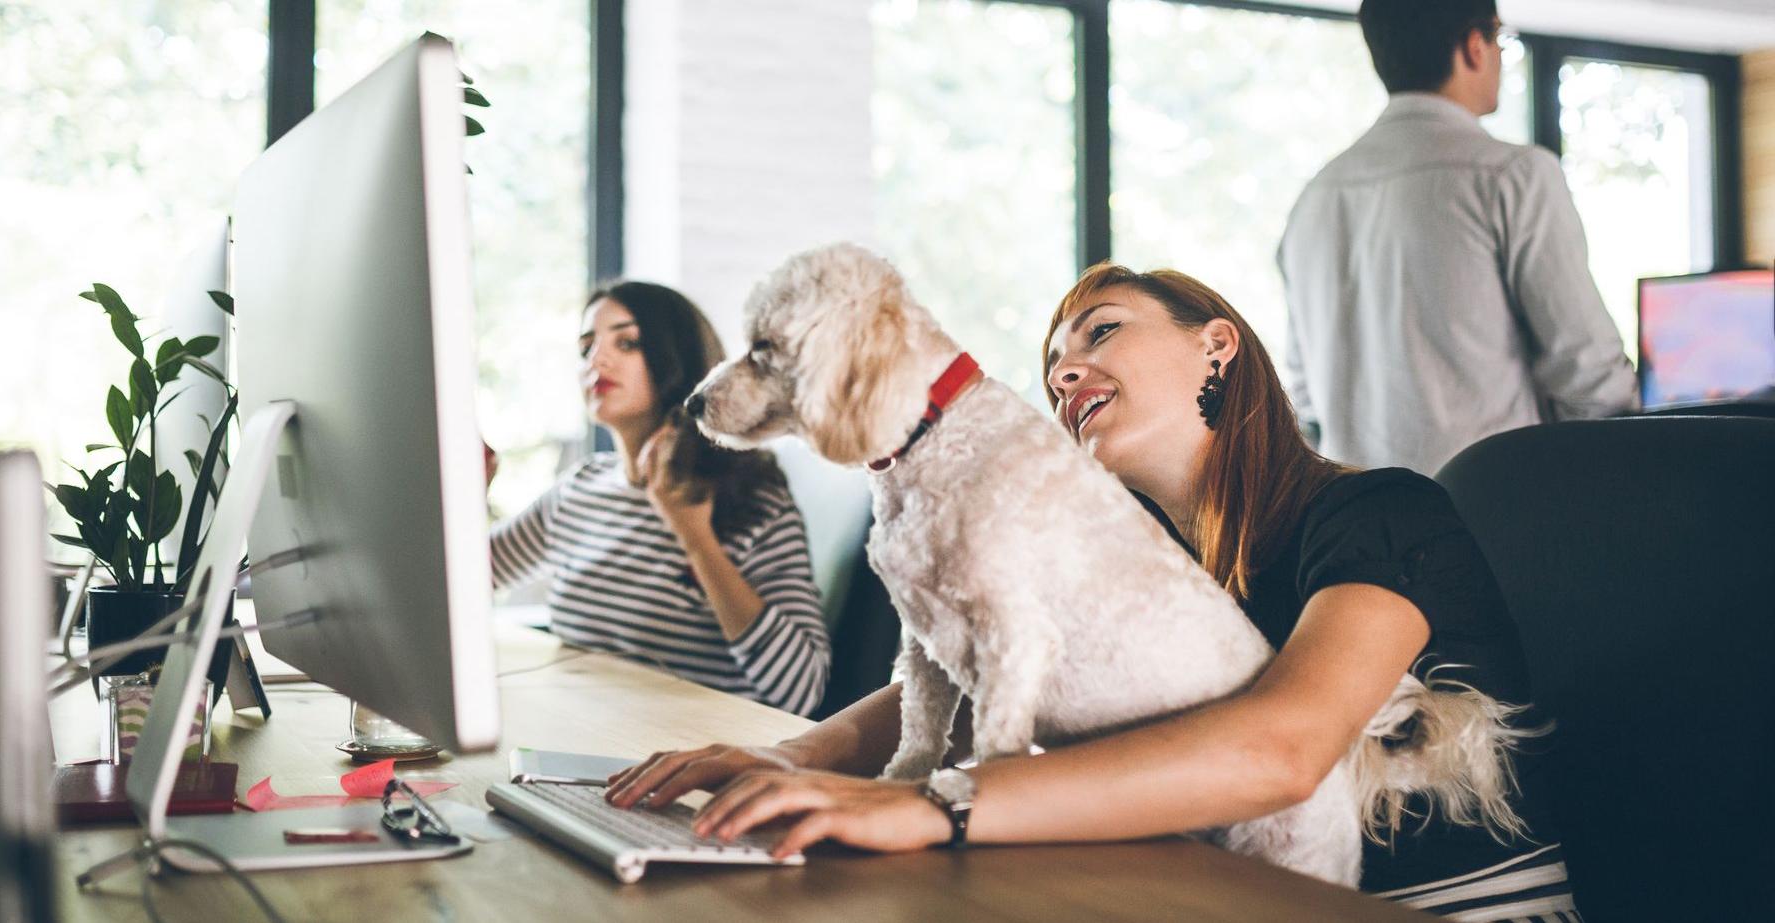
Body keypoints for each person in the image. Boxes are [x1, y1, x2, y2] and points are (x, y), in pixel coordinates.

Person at [603, 265, 1577, 921]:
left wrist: (942, 804)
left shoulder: (1379, 514)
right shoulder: (1140, 552)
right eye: (1050, 365)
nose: (1064, 371)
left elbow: (1281, 750)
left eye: (1101, 332)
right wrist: (793, 753)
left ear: (1217, 349)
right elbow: (954, 665)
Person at [1278, 0, 1636, 475]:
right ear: (1474, 46)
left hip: (1357, 524)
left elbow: (1306, 401)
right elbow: (1588, 372)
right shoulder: (1513, 176)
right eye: (1499, 39)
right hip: (1494, 518)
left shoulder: (1312, 200)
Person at [486, 281, 830, 717]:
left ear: (677, 358)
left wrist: (696, 540)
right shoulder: (580, 489)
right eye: (586, 347)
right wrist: (468, 493)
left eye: (627, 342)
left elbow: (800, 691)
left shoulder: (752, 495)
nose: (598, 359)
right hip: (577, 733)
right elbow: (459, 583)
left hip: (689, 756)